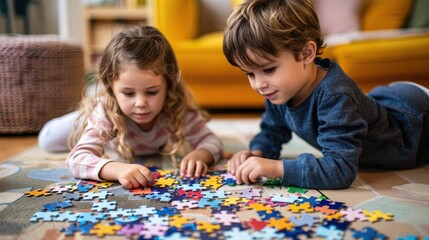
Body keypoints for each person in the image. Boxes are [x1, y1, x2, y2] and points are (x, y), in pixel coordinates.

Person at [223, 0, 429, 189]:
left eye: (268, 70)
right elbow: (272, 129)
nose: (258, 84)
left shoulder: (334, 96)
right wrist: (256, 154)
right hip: (383, 102)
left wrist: (278, 168)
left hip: (415, 127)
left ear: (306, 53)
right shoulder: (280, 89)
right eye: (250, 73)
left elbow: (340, 169)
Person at [38, 25, 223, 189]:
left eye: (151, 92)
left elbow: (213, 142)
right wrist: (117, 169)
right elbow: (76, 159)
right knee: (49, 140)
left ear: (169, 86)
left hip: (122, 120)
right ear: (111, 88)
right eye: (128, 93)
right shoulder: (106, 111)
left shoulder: (176, 108)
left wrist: (200, 154)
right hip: (107, 115)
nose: (140, 103)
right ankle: (86, 114)